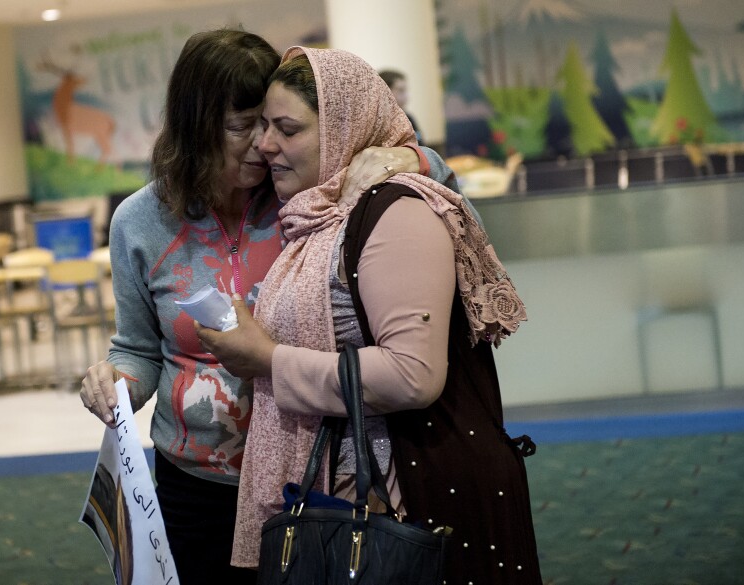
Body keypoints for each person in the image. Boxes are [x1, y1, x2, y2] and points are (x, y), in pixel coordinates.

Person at [77, 30, 461, 584]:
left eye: (269, 124)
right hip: (192, 484)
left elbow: (443, 195)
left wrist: (411, 155)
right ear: (195, 126)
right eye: (241, 126)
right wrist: (112, 383)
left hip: (303, 470)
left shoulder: (306, 194)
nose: (261, 144)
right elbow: (138, 349)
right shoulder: (139, 223)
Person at [197, 47, 542, 583]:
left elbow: (412, 376)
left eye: (287, 128)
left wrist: (268, 359)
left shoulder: (394, 211)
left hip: (410, 496)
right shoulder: (317, 215)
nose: (265, 145)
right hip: (356, 490)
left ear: (346, 129)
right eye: (261, 126)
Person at [379, 68, 424, 145]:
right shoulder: (378, 124)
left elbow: (421, 146)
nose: (407, 96)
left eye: (406, 90)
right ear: (385, 92)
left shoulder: (409, 118)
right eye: (401, 90)